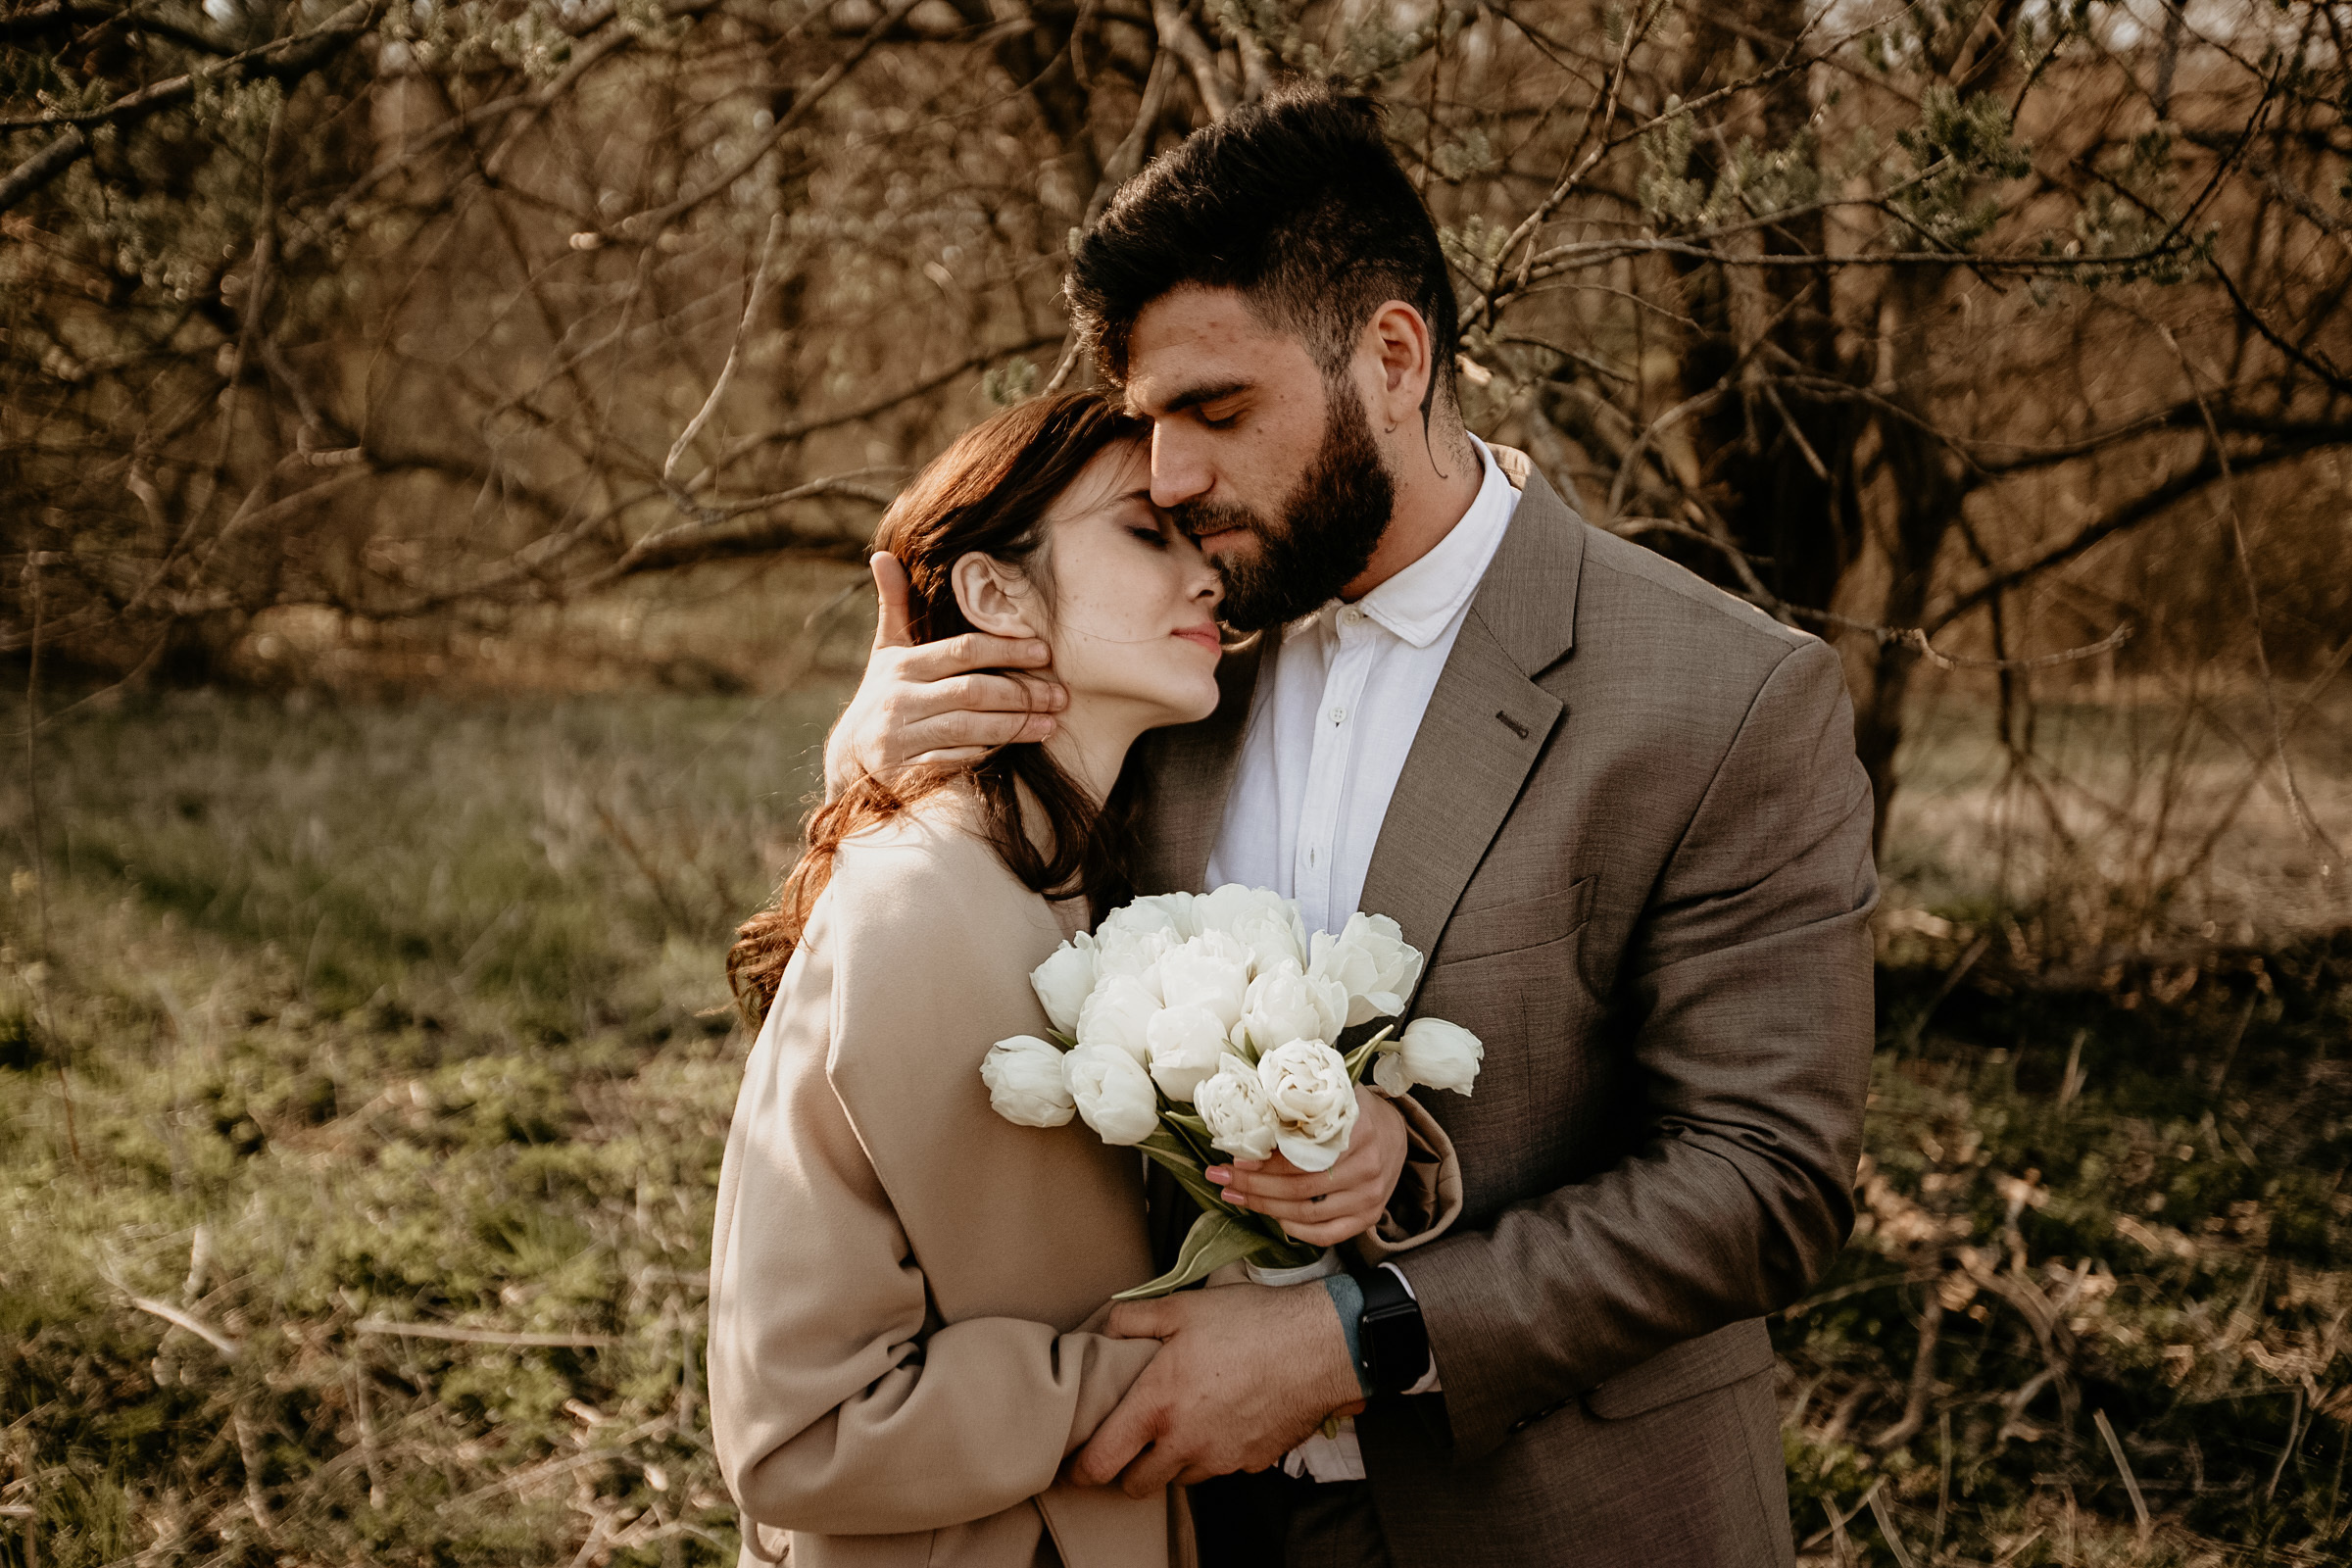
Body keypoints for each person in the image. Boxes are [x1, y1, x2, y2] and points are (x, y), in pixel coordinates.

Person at [823, 84, 1879, 1567]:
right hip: (1192, 1528)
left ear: (1392, 356)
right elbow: (896, 999)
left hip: (1565, 1522)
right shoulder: (1171, 666)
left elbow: (1767, 1178)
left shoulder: (1722, 696)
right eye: (1149, 425)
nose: (1173, 478)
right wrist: (876, 773)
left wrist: (1354, 1337)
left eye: (1219, 410)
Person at [707, 391, 1451, 1568]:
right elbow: (797, 1428)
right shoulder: (920, 907)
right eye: (1145, 535)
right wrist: (1175, 1372)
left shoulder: (1089, 887)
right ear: (998, 592)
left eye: (1199, 540)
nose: (1205, 574)